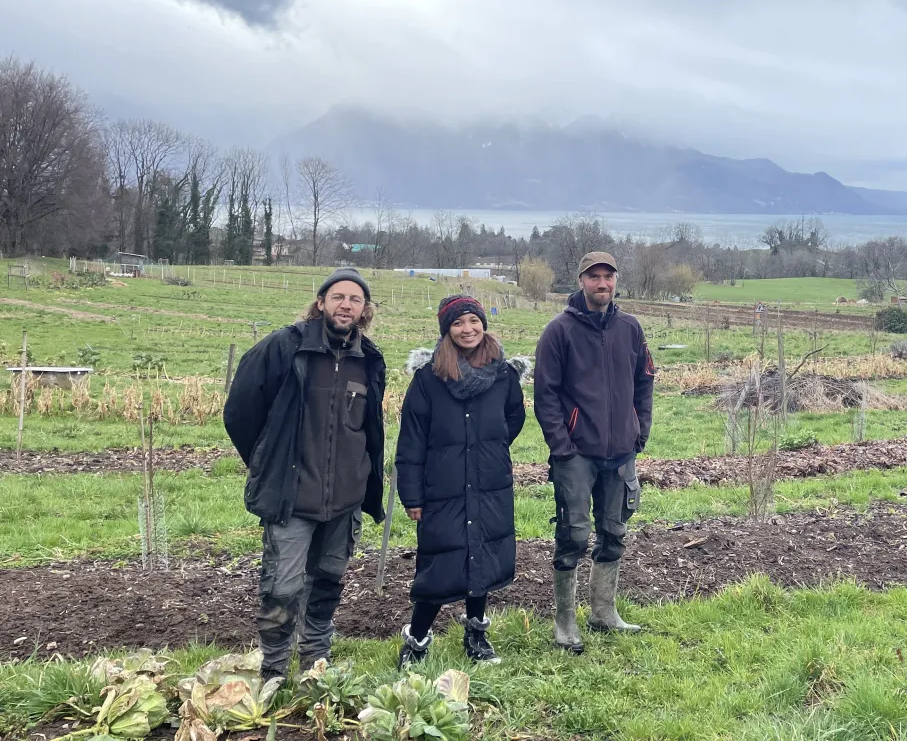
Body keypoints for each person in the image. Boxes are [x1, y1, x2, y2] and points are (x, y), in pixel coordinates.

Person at [223, 268, 386, 682]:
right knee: (281, 588)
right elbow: (240, 411)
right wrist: (267, 462)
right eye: (338, 297)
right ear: (321, 302)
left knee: (328, 583)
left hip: (345, 499)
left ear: (364, 310)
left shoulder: (369, 359)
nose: (346, 305)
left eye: (355, 299)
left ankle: (316, 662)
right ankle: (274, 672)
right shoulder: (285, 347)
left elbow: (369, 428)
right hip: (293, 498)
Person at [533, 251, 655, 653]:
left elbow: (644, 382)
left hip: (621, 451)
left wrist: (640, 431)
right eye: (594, 277)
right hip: (577, 454)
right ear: (581, 280)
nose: (602, 284)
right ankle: (564, 622)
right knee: (573, 534)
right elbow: (545, 395)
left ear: (616, 280)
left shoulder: (630, 329)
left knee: (614, 531)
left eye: (608, 277)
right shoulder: (559, 331)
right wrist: (562, 447)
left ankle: (604, 611)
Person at [395, 295, 525, 666]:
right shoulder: (428, 379)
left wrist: (486, 450)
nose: (467, 329)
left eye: (473, 320)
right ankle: (416, 641)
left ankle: (477, 637)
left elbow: (511, 422)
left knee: (482, 556)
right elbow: (412, 439)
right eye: (458, 323)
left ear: (483, 324)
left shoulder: (503, 376)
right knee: (439, 563)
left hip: (489, 483)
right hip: (442, 488)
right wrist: (412, 495)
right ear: (446, 330)